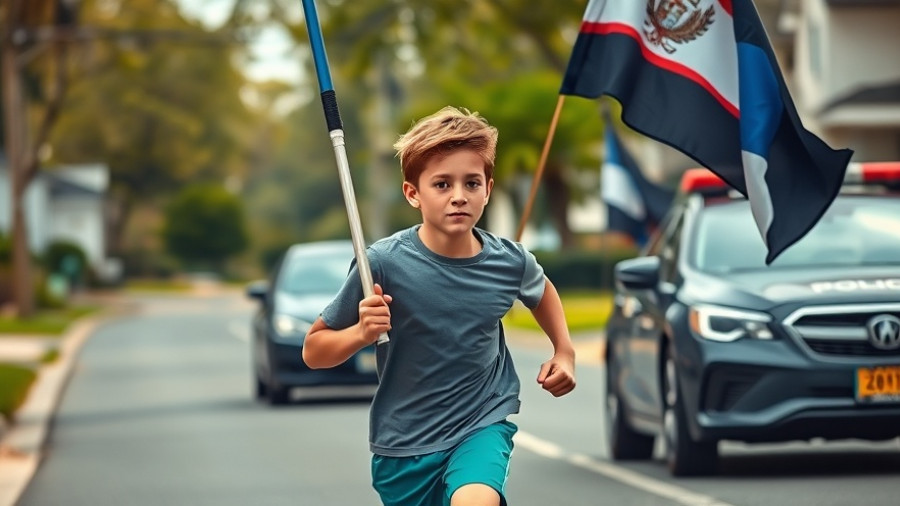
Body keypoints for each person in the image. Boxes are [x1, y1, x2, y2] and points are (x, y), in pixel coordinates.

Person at [302, 106, 576, 506]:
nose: (459, 196)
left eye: (472, 183)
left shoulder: (509, 261)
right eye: (442, 184)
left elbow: (541, 290)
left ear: (488, 189)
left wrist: (564, 351)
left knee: (475, 500)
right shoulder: (381, 264)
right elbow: (313, 351)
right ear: (413, 193)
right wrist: (361, 333)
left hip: (481, 422)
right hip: (404, 445)